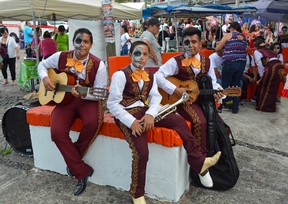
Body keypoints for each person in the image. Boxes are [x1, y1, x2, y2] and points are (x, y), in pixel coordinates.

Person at [107, 40, 221, 204]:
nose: (141, 57)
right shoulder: (120, 75)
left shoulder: (150, 75)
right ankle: (137, 193)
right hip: (126, 115)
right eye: (137, 53)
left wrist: (151, 114)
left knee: (178, 121)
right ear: (129, 55)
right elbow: (112, 104)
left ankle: (199, 161)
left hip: (146, 112)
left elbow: (156, 97)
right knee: (142, 152)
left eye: (145, 54)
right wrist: (131, 122)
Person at [37, 28, 108, 195]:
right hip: (65, 99)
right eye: (78, 40)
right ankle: (81, 170)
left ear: (91, 45)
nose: (81, 45)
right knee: (56, 132)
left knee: (92, 123)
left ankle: (73, 161)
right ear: (73, 42)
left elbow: (100, 92)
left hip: (88, 100)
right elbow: (42, 64)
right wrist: (45, 78)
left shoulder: (99, 65)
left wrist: (84, 93)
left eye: (85, 42)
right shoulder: (61, 56)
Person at [215, 22, 247, 114]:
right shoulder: (243, 37)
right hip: (241, 62)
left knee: (224, 84)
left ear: (232, 28)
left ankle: (220, 106)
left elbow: (218, 49)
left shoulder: (228, 35)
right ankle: (235, 107)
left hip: (230, 62)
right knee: (236, 84)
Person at [253, 38, 286, 112]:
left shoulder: (257, 51)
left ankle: (263, 107)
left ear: (256, 46)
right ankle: (271, 107)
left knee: (264, 86)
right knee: (273, 87)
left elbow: (260, 64)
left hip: (272, 67)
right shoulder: (268, 50)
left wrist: (262, 77)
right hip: (279, 66)